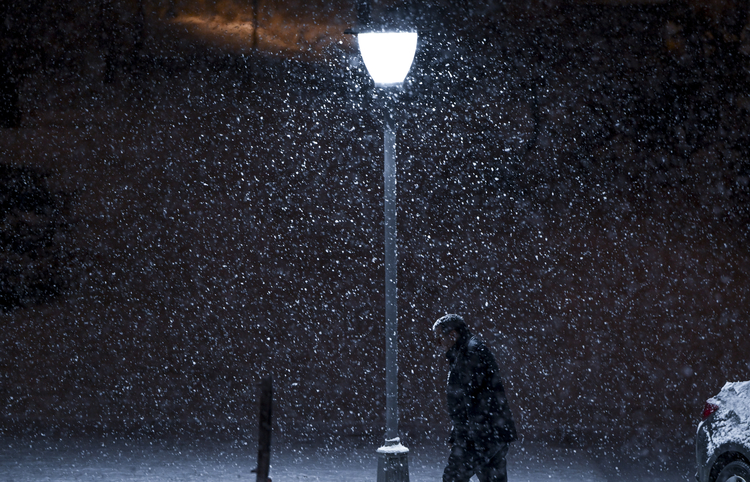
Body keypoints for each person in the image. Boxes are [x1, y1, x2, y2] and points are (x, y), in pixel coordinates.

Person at [432, 314, 518, 482]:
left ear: (453, 335)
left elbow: (471, 401)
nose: (438, 344)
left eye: (439, 338)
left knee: (452, 477)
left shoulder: (469, 354)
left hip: (480, 437)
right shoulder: (467, 352)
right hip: (491, 434)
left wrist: (462, 438)